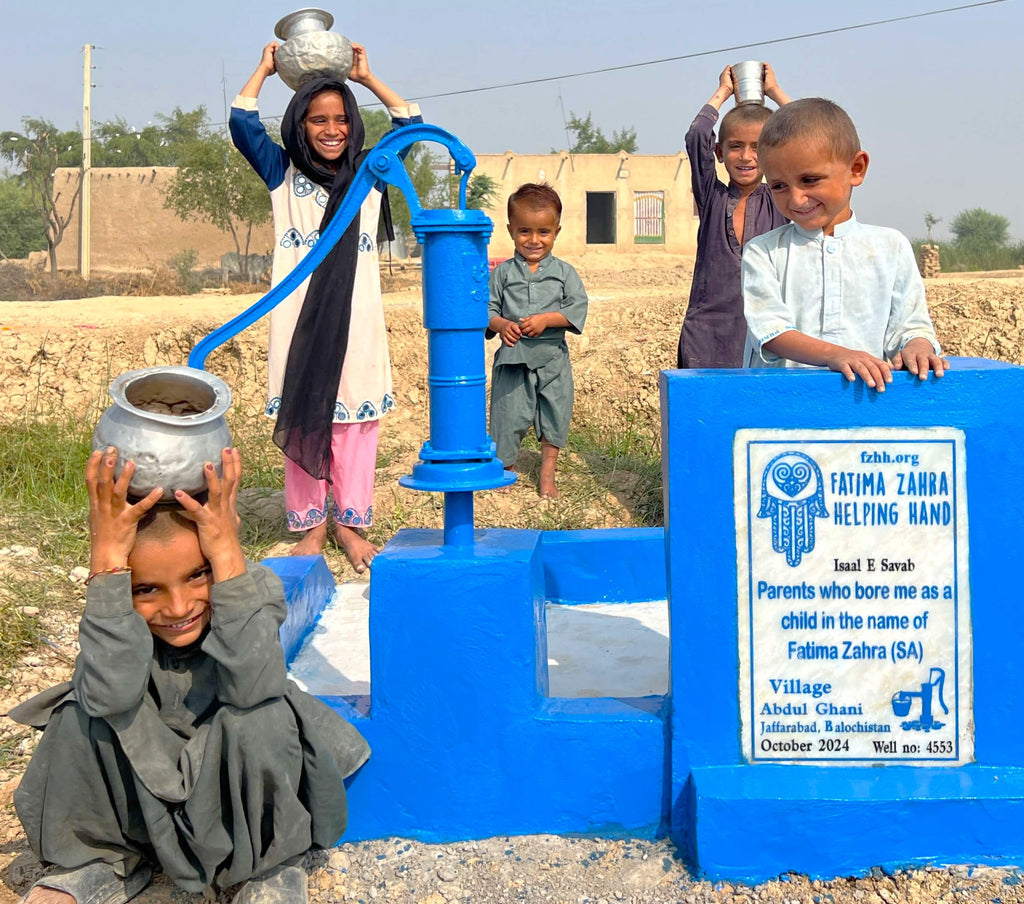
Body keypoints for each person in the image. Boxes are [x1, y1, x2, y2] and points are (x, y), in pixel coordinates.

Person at [10, 446, 369, 904]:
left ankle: (269, 870)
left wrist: (226, 555)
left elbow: (257, 683)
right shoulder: (114, 613)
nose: (178, 608)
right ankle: (98, 862)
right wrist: (107, 567)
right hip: (146, 797)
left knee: (261, 714)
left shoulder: (252, 589)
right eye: (145, 589)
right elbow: (110, 696)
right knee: (80, 712)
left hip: (230, 800)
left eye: (198, 575)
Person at [229, 42, 422, 572]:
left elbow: (412, 122)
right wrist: (266, 67)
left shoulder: (372, 175)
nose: (331, 129)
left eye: (340, 118)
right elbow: (242, 123)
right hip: (297, 324)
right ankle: (311, 527)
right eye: (317, 119)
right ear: (299, 123)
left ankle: (351, 526)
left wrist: (366, 76)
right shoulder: (281, 176)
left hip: (357, 324)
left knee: (355, 427)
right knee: (304, 416)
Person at [741, 97, 948, 389]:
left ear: (856, 169)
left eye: (810, 180)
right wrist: (835, 355)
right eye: (779, 186)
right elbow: (771, 331)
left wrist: (918, 347)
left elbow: (909, 324)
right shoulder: (763, 252)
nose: (796, 199)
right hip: (783, 407)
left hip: (864, 406)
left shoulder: (891, 246)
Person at [677, 63, 791, 369]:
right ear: (719, 152)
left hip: (766, 333)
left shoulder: (781, 200)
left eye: (757, 147)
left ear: (772, 153)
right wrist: (725, 90)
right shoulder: (713, 197)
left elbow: (809, 138)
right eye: (736, 146)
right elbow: (697, 135)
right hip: (706, 334)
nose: (746, 156)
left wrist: (775, 92)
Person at [487, 183, 588, 499]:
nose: (534, 240)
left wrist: (547, 319)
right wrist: (502, 324)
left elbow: (576, 308)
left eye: (543, 232)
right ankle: (505, 468)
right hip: (513, 359)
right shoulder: (503, 273)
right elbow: (487, 309)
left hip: (552, 359)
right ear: (510, 230)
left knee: (555, 413)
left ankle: (547, 476)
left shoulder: (564, 273)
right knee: (507, 414)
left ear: (556, 231)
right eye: (524, 231)